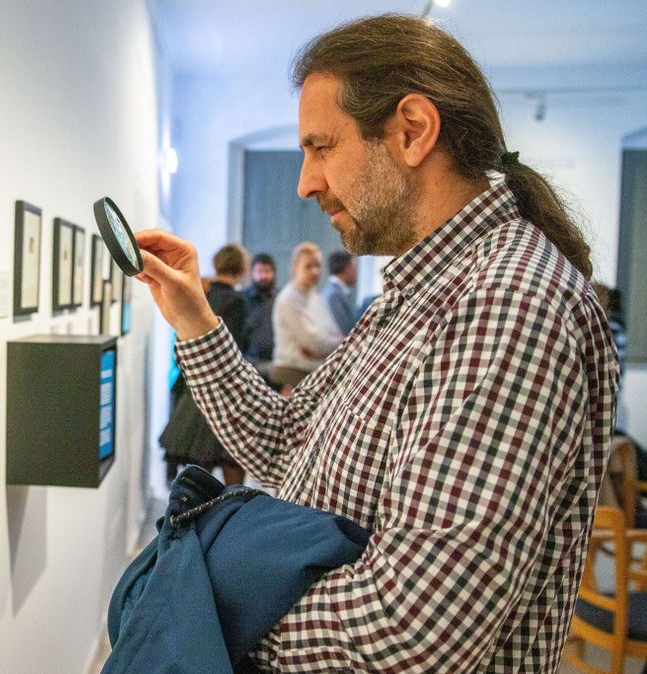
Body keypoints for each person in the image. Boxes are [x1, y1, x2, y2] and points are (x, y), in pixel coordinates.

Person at [133, 14, 618, 672]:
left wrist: (198, 609)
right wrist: (193, 315)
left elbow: (412, 633)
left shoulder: (504, 304)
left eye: (322, 147)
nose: (306, 182)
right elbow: (282, 445)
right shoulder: (412, 296)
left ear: (412, 131)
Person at [159, 244, 249, 486]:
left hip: (194, 388)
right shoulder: (237, 302)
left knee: (199, 473)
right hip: (224, 393)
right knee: (232, 471)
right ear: (242, 269)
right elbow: (236, 348)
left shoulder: (203, 294)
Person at [270, 243, 342, 392]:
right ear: (295, 267)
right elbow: (313, 343)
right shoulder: (289, 298)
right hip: (293, 370)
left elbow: (334, 334)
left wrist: (322, 351)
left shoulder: (316, 297)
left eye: (318, 266)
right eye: (308, 266)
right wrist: (331, 345)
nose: (315, 271)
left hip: (314, 368)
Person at [240, 253, 277, 366]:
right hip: (249, 361)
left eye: (267, 271)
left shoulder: (280, 299)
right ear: (252, 273)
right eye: (259, 271)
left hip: (275, 361)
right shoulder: (242, 299)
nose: (264, 276)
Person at [322, 250, 359, 334]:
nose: (356, 273)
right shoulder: (334, 296)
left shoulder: (337, 292)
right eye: (354, 267)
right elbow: (346, 331)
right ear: (347, 269)